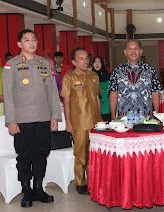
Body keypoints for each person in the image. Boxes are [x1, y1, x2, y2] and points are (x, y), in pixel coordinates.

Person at [2, 29, 61, 207]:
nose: (31, 43)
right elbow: (8, 94)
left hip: (43, 117)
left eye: (34, 39)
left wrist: (55, 116)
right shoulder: (12, 65)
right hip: (22, 120)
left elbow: (52, 93)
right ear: (20, 44)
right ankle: (26, 190)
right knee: (25, 156)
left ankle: (38, 188)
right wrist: (11, 120)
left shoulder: (45, 64)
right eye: (27, 40)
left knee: (41, 154)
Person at [61, 47, 101, 195]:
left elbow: (97, 97)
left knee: (94, 153)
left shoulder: (94, 76)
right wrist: (68, 123)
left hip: (95, 122)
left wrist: (100, 121)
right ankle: (80, 182)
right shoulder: (69, 78)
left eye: (86, 58)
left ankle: (93, 181)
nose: (85, 61)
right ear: (74, 62)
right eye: (81, 59)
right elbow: (67, 102)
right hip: (79, 122)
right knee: (80, 154)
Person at [108, 39, 161, 119]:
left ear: (140, 51)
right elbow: (113, 94)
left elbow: (155, 93)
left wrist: (156, 115)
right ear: (125, 52)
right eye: (130, 48)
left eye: (136, 48)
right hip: (123, 118)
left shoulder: (150, 70)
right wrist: (113, 116)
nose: (133, 51)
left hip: (145, 117)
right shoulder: (117, 71)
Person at [93, 56, 111, 122]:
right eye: (95, 62)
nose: (97, 64)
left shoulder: (107, 75)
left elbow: (108, 90)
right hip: (93, 106)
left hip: (105, 104)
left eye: (99, 62)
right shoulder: (89, 75)